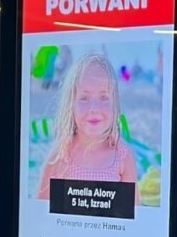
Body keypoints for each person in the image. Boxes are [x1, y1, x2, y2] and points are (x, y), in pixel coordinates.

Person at [37, 52, 140, 200]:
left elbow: (135, 210)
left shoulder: (123, 156)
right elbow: (39, 208)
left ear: (115, 104)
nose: (94, 108)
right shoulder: (60, 156)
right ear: (71, 105)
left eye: (104, 97)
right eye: (84, 98)